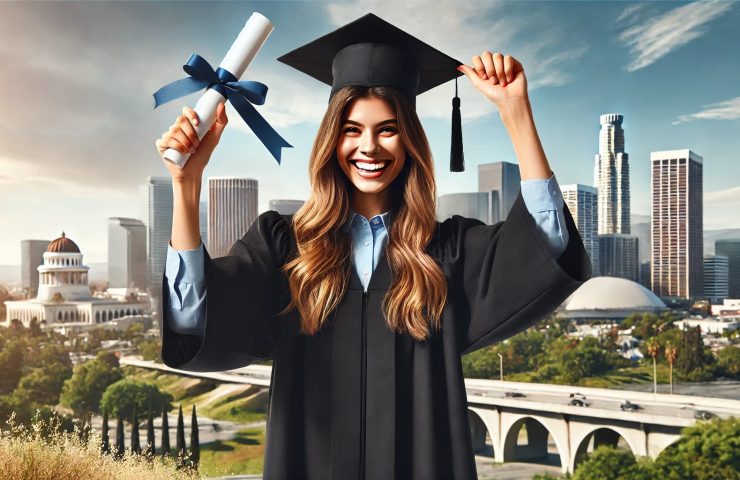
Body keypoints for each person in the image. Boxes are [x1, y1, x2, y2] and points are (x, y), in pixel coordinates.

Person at [154, 13, 591, 480]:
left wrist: (516, 113)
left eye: (387, 128)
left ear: (410, 140)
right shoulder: (286, 248)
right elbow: (191, 317)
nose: (369, 147)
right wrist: (187, 185)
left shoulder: (445, 252)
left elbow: (544, 247)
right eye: (351, 129)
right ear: (330, 139)